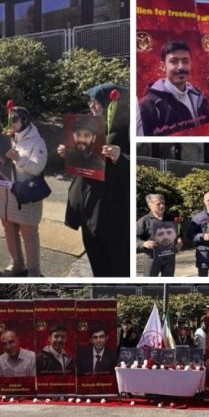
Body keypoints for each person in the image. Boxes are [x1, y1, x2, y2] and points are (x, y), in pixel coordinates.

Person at [62, 83, 130, 277]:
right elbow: (84, 161)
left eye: (96, 102)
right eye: (90, 102)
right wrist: (68, 154)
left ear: (111, 103)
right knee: (96, 262)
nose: (91, 106)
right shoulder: (88, 126)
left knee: (116, 267)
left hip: (111, 213)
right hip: (87, 207)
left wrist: (120, 156)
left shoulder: (128, 127)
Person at [0, 106, 47, 277]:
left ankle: (34, 270)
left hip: (25, 195)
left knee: (28, 233)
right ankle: (17, 264)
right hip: (4, 194)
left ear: (25, 120)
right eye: (9, 119)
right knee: (8, 229)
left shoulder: (37, 141)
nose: (11, 123)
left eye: (15, 119)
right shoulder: (5, 138)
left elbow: (37, 167)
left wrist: (19, 159)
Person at [138, 41, 209, 135]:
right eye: (174, 61)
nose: (181, 67)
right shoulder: (148, 106)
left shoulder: (200, 98)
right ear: (163, 66)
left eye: (185, 61)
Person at [136, 194, 181, 276]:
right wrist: (144, 244)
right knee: (150, 286)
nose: (162, 206)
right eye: (158, 204)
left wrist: (178, 242)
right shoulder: (143, 221)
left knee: (167, 286)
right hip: (152, 260)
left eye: (163, 203)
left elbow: (176, 235)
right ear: (150, 205)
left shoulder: (171, 218)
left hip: (169, 259)